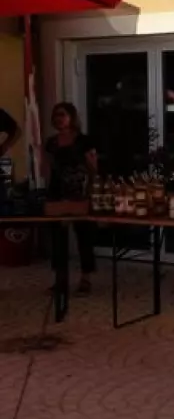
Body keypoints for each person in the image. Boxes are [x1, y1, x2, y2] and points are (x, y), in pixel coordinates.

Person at [45, 102, 98, 295]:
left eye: (63, 115)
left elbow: (93, 167)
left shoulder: (84, 141)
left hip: (79, 191)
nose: (59, 119)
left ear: (72, 117)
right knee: (58, 238)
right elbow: (48, 167)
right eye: (56, 115)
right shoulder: (51, 142)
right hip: (57, 192)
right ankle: (60, 279)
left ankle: (86, 279)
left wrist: (92, 189)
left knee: (83, 235)